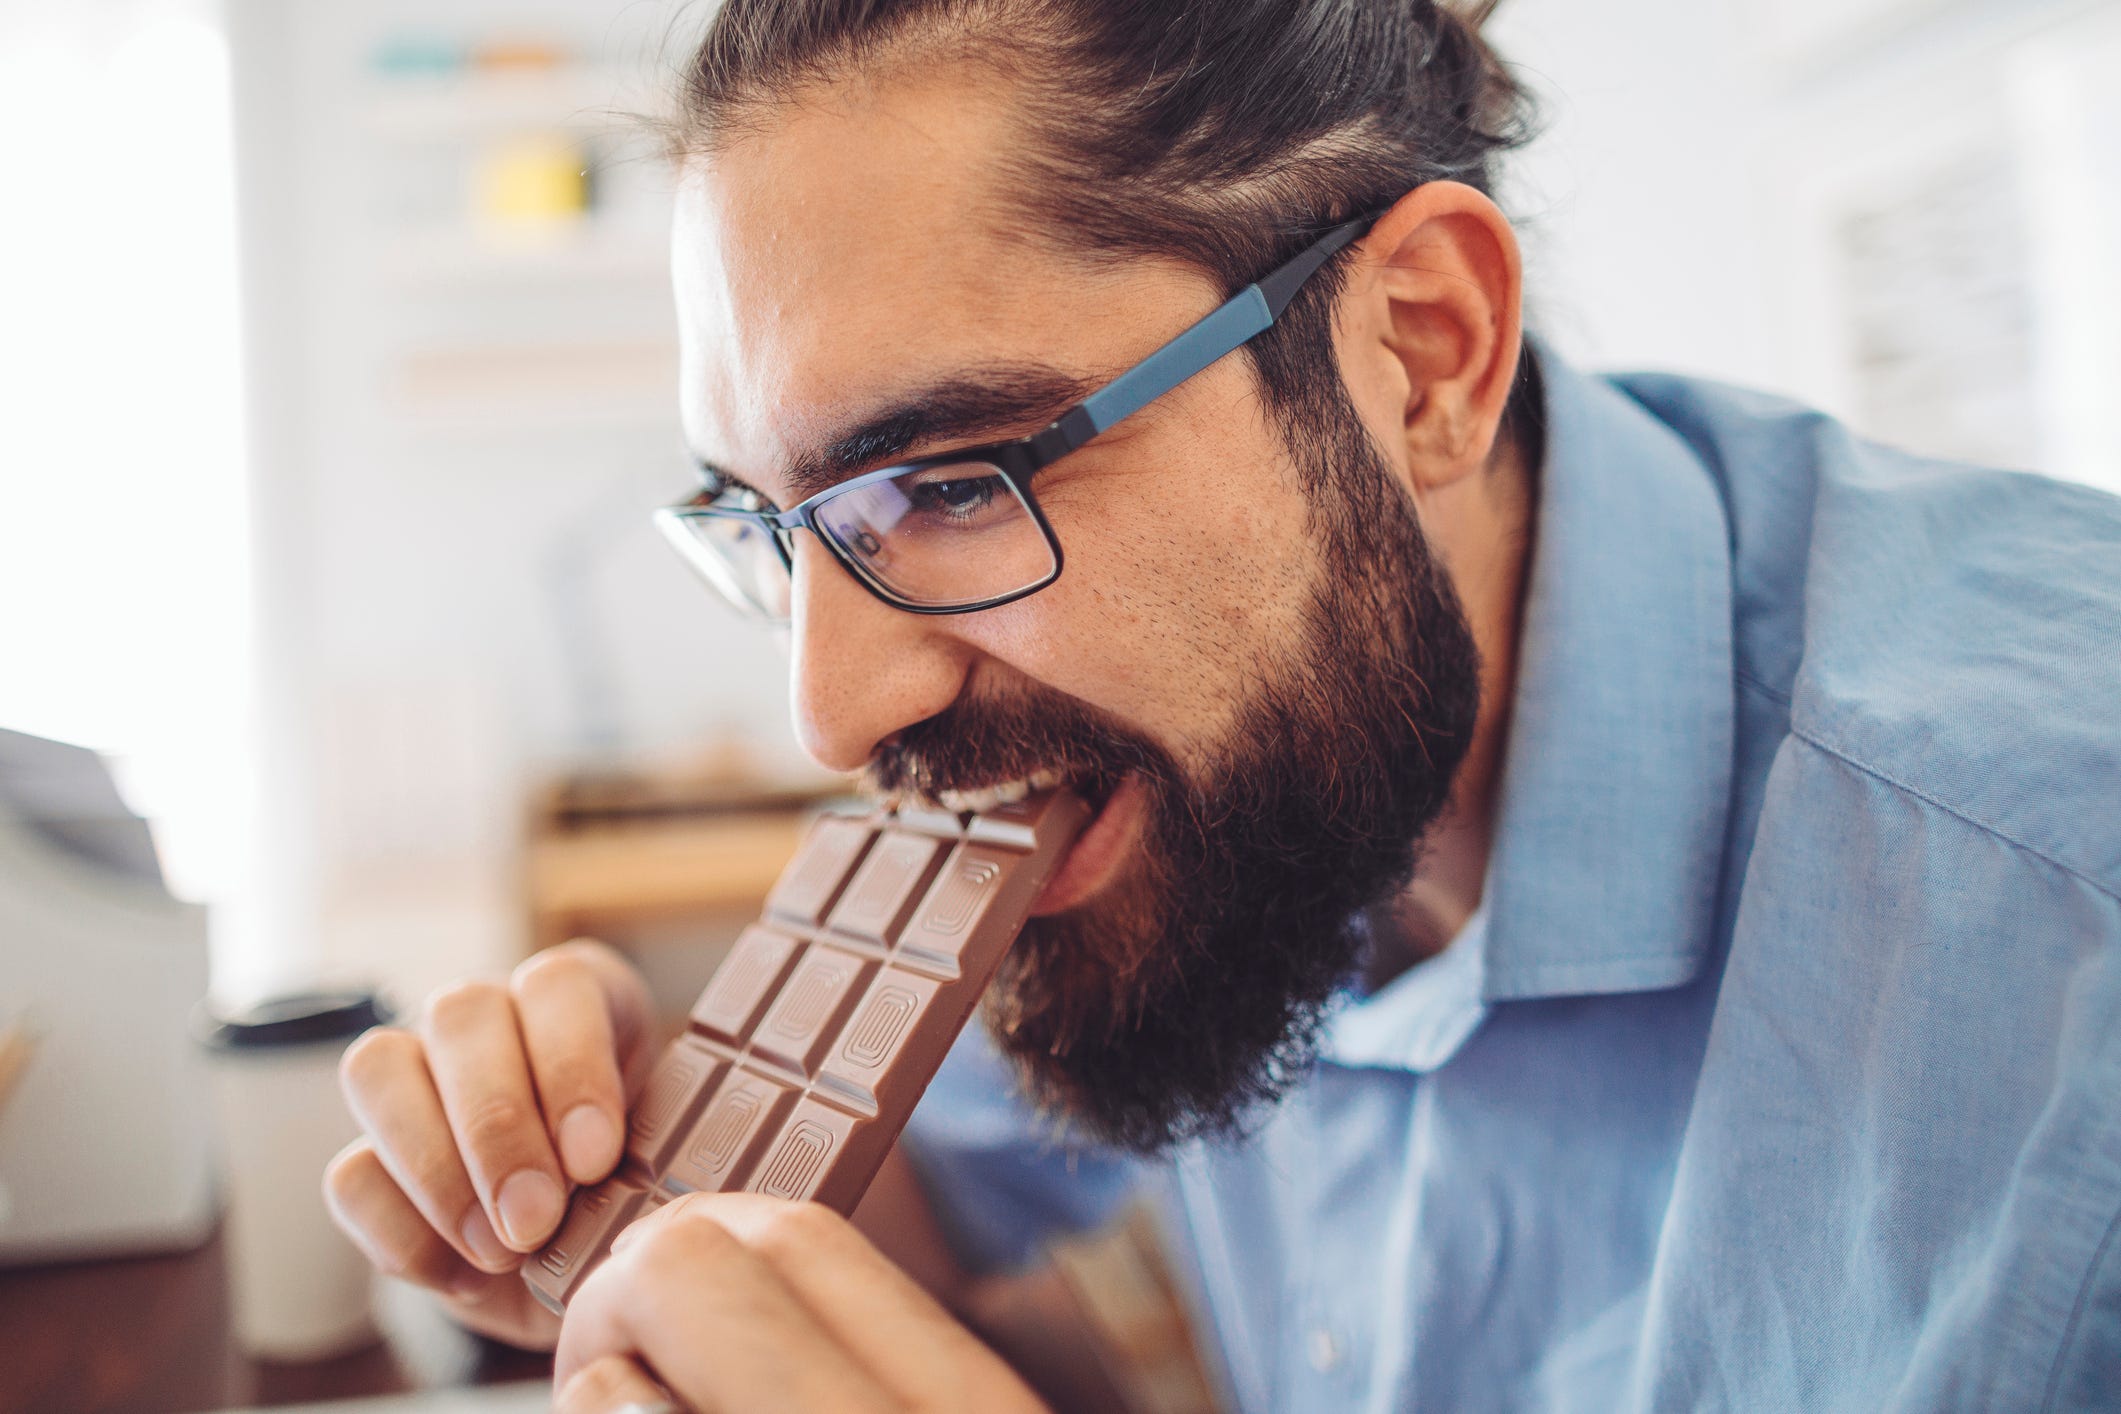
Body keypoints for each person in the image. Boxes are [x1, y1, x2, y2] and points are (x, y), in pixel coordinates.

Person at [324, 1, 2121, 1409]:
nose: (833, 713)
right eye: (772, 525)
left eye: (947, 483)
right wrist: (635, 1198)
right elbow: (937, 1200)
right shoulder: (1212, 774)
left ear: (1422, 349)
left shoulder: (2059, 972)